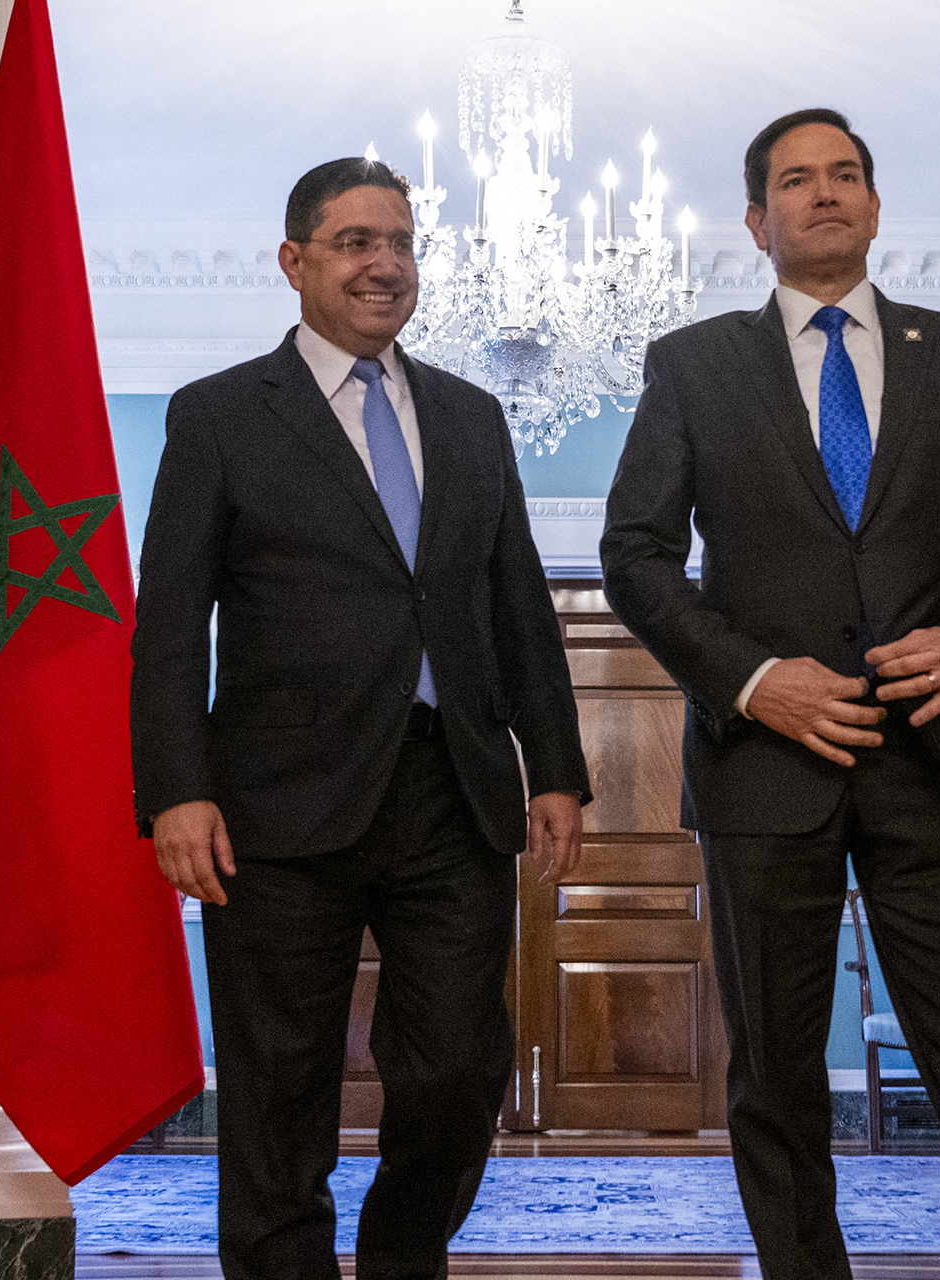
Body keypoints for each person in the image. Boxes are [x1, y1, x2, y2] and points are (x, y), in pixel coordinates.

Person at [600, 109, 940, 1280]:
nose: (825, 193)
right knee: (776, 1072)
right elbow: (636, 556)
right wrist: (753, 680)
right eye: (797, 180)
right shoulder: (694, 364)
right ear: (757, 222)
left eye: (846, 174)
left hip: (931, 759)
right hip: (767, 774)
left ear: (872, 203)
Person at [130, 157, 590, 1280]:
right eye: (354, 242)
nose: (385, 264)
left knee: (457, 1069)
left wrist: (559, 768)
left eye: (400, 241)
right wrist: (173, 789)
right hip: (274, 807)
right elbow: (172, 622)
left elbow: (519, 606)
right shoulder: (221, 415)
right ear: (294, 262)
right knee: (279, 1082)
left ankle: (397, 1254)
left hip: (455, 790)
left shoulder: (474, 419)